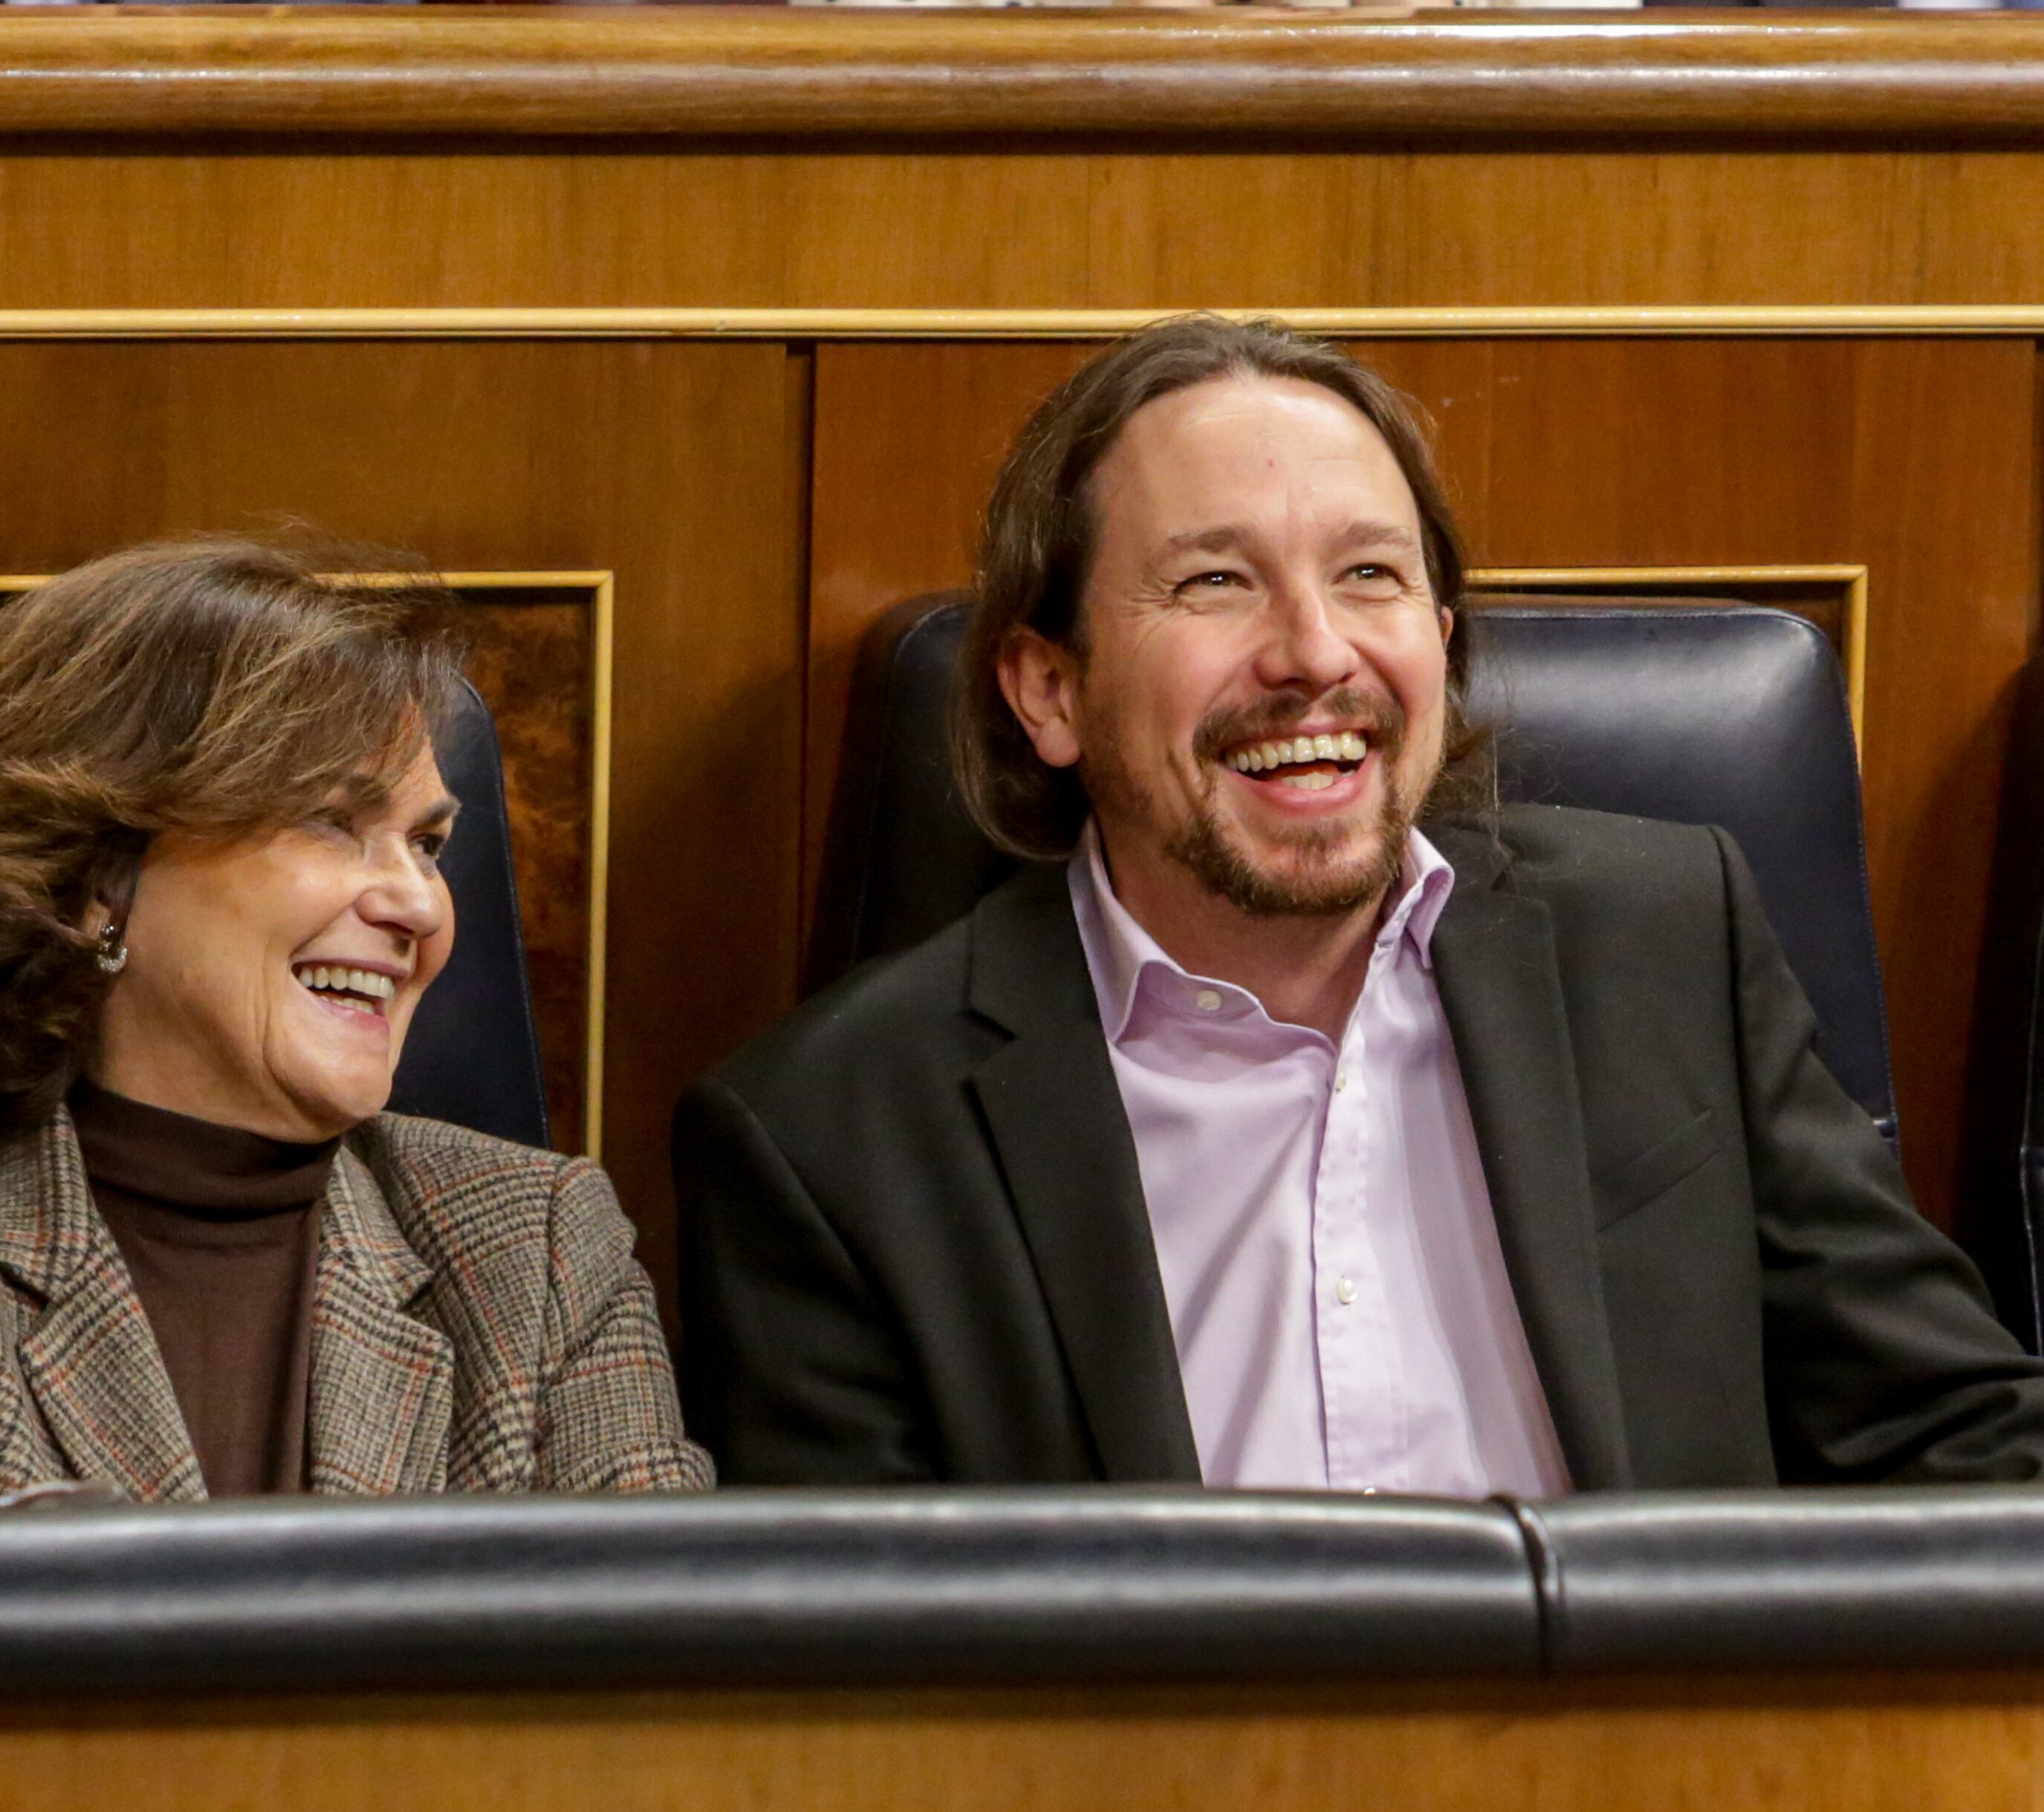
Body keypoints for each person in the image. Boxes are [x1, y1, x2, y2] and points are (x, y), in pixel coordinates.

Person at [677, 314, 2044, 1492]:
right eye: (1215, 582)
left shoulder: (1669, 943)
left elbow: (1954, 1441)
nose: (1315, 653)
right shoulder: (832, 1139)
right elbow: (856, 1705)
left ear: (1440, 644)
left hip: (1669, 1784)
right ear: (1049, 689)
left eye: (1371, 575)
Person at [0, 537, 709, 1512]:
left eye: (428, 843)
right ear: (98, 880)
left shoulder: (539, 1250)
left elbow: (668, 1667)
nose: (421, 906)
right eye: (331, 820)